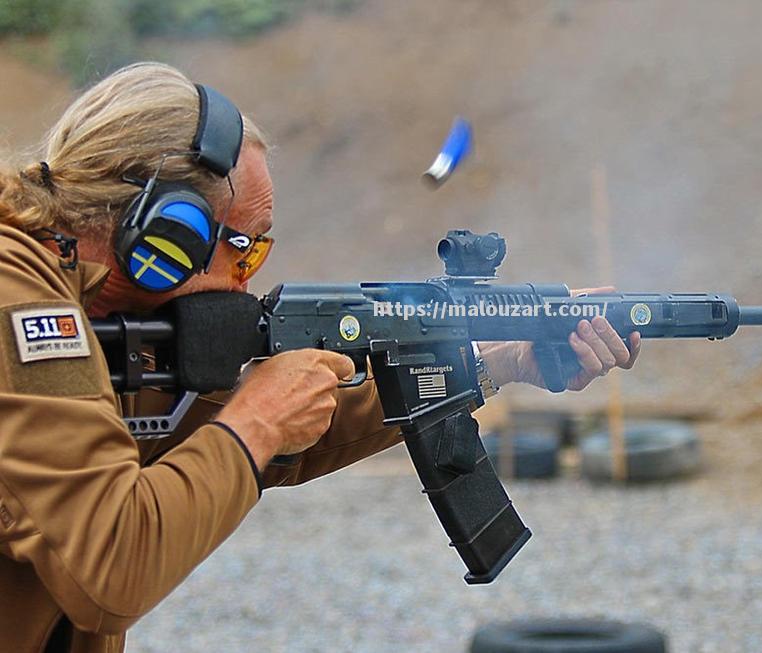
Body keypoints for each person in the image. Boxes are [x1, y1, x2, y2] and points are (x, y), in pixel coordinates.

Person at [0, 62, 641, 652]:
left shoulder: (105, 311)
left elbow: (231, 439)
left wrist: (493, 358)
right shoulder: (19, 302)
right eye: (244, 248)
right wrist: (256, 422)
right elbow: (113, 565)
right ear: (166, 231)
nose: (248, 281)